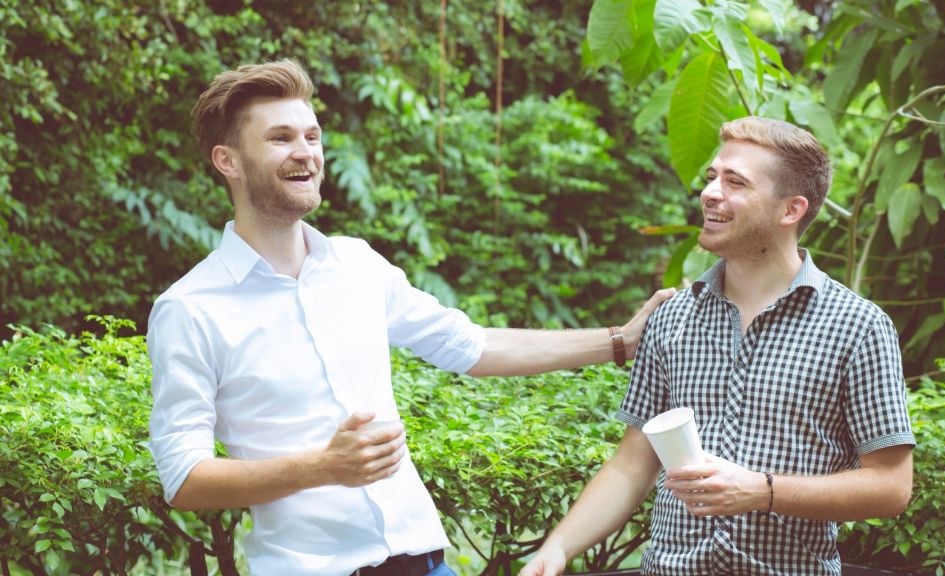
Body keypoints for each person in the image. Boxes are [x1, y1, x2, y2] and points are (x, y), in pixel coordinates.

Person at [146, 59, 674, 576]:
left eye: (313, 135)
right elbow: (185, 478)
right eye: (281, 138)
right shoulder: (191, 309)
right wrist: (321, 467)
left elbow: (471, 346)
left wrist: (620, 342)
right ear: (228, 161)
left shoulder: (357, 264)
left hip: (424, 563)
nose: (306, 152)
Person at [520, 117, 916, 576]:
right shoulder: (671, 317)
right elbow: (632, 466)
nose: (710, 193)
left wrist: (762, 490)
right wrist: (558, 547)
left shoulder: (859, 326)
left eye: (735, 182)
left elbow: (891, 486)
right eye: (712, 177)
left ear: (791, 210)